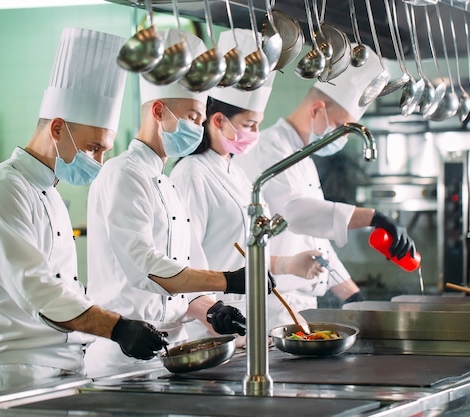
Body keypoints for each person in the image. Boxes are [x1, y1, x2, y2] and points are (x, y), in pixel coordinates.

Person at [84, 30, 318, 373]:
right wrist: (228, 279)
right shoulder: (124, 174)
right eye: (194, 117)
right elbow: (146, 269)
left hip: (169, 354)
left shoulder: (164, 181)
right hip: (122, 358)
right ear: (159, 111)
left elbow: (184, 275)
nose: (199, 126)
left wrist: (209, 308)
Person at [0, 28, 168, 394]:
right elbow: (39, 291)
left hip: (65, 372)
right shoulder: (0, 187)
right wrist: (119, 327)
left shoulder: (51, 194)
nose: (100, 161)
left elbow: (65, 290)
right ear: (57, 128)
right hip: (15, 375)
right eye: (94, 148)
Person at [234, 46, 416, 328]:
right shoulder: (268, 150)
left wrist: (352, 295)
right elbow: (297, 213)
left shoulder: (303, 156)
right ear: (318, 109)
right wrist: (374, 217)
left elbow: (318, 243)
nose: (343, 136)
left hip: (304, 307)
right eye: (343, 126)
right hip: (275, 307)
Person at [169, 29, 323, 338]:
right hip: (213, 328)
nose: (254, 133)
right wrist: (212, 315)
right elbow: (180, 266)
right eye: (248, 125)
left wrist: (288, 263)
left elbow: (240, 254)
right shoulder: (190, 175)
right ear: (218, 121)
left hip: (247, 324)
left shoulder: (236, 174)